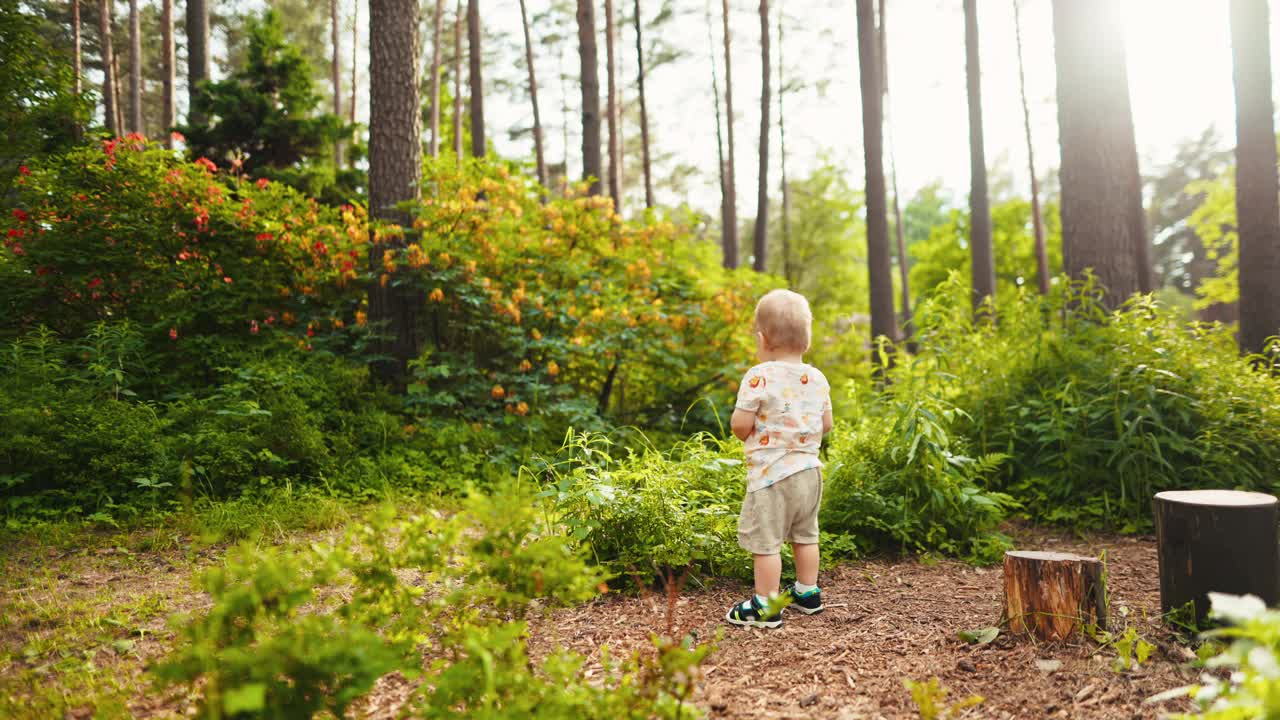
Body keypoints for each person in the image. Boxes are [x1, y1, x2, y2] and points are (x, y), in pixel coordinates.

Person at [724, 289, 833, 629]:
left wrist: (751, 431)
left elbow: (741, 426)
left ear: (762, 338)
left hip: (772, 476)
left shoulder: (759, 376)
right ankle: (807, 592)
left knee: (767, 542)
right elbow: (826, 424)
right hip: (810, 473)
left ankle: (767, 605)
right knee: (806, 535)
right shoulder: (817, 378)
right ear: (807, 340)